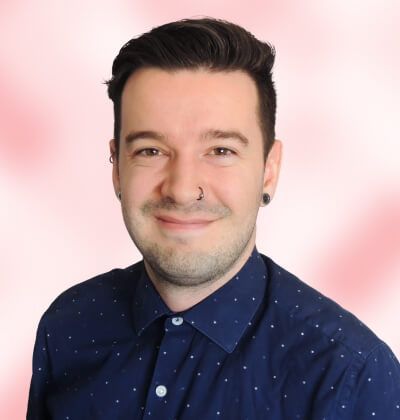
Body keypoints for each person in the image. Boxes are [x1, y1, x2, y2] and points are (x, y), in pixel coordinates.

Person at [27, 17, 400, 419]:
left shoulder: (350, 377)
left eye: (221, 151)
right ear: (117, 167)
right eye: (151, 150)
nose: (182, 188)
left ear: (269, 170)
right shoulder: (68, 327)